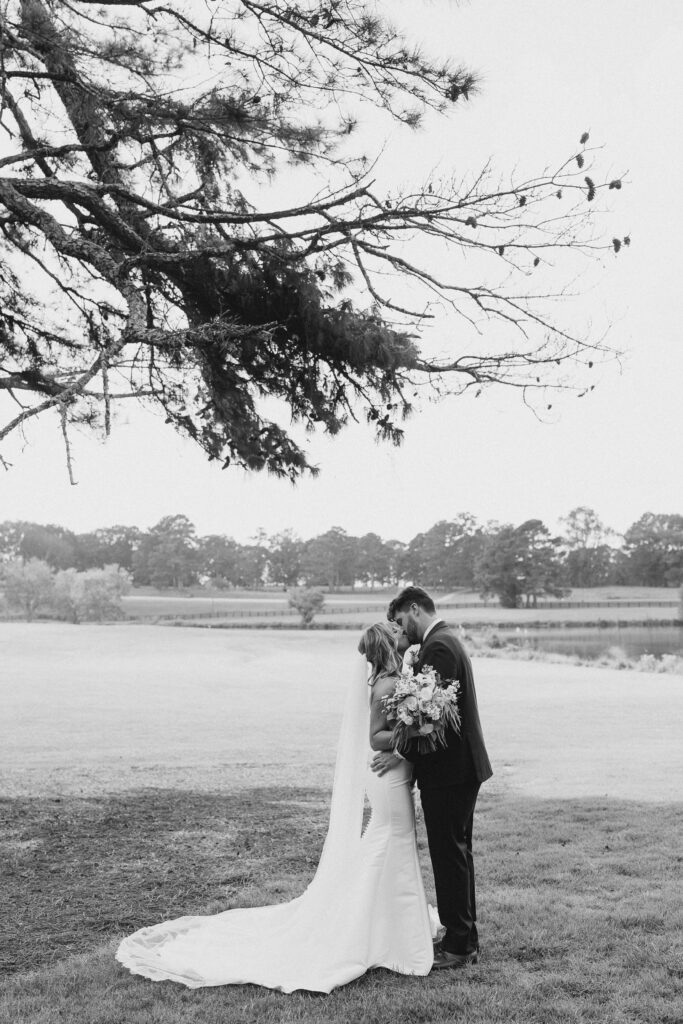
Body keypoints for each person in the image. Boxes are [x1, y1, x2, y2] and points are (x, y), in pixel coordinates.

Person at [116, 622, 435, 993]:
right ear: (388, 643)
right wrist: (416, 728)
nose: (402, 633)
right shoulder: (387, 685)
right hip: (387, 776)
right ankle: (371, 931)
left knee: (389, 839)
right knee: (390, 837)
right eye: (395, 631)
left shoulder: (393, 679)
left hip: (391, 774)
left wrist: (413, 727)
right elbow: (376, 736)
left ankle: (389, 925)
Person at [373, 586, 492, 970]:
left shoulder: (438, 647)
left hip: (450, 772)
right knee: (457, 853)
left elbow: (429, 717)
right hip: (458, 770)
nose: (400, 630)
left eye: (401, 621)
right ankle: (464, 937)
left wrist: (398, 750)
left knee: (448, 856)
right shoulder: (443, 641)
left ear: (414, 608)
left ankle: (459, 946)